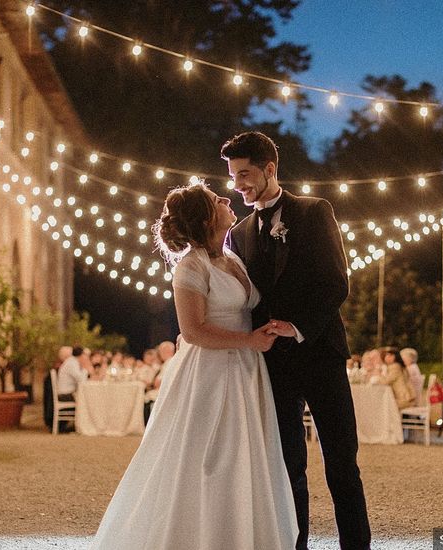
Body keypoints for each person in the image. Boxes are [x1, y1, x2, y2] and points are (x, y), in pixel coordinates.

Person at [90, 182, 297, 549]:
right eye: (214, 199)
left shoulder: (232, 259)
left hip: (247, 371)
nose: (224, 197)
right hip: (210, 374)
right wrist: (249, 341)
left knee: (246, 460)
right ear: (205, 217)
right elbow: (194, 330)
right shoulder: (190, 266)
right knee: (211, 461)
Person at [223, 131, 371, 550]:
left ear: (270, 169)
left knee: (342, 464)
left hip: (321, 354)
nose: (238, 185)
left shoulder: (313, 211)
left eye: (245, 174)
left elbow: (336, 283)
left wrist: (297, 326)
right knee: (289, 468)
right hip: (273, 365)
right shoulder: (238, 234)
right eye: (233, 176)